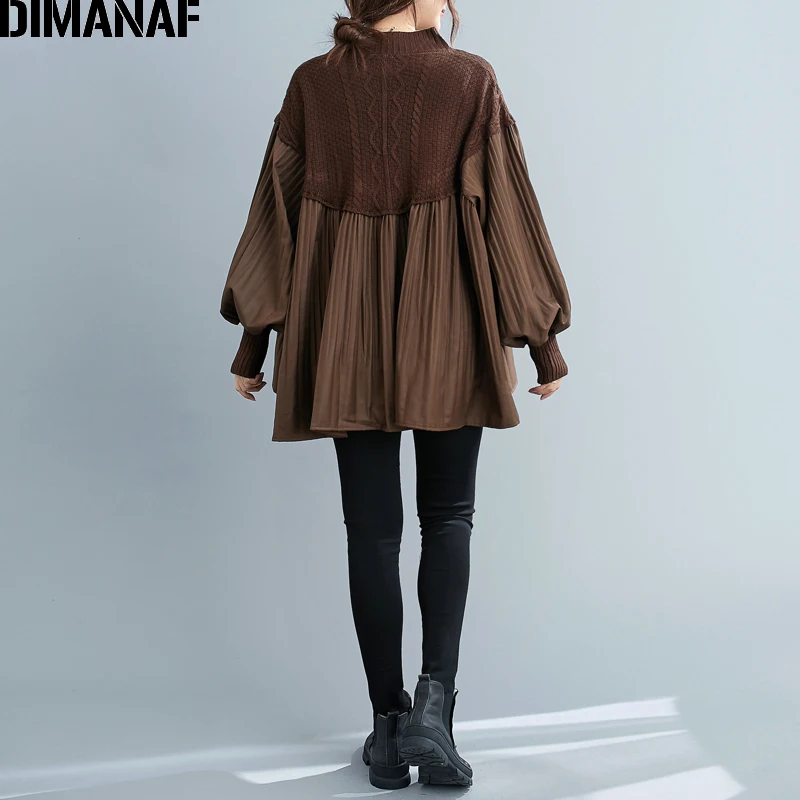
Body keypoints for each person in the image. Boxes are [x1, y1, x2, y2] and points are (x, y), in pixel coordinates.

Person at [218, 0, 572, 790]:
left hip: (343, 335)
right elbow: (509, 212)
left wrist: (252, 344)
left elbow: (273, 217)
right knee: (448, 519)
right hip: (449, 328)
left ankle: (387, 729)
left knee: (370, 534)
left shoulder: (313, 85)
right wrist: (543, 340)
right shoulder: (468, 82)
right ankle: (433, 713)